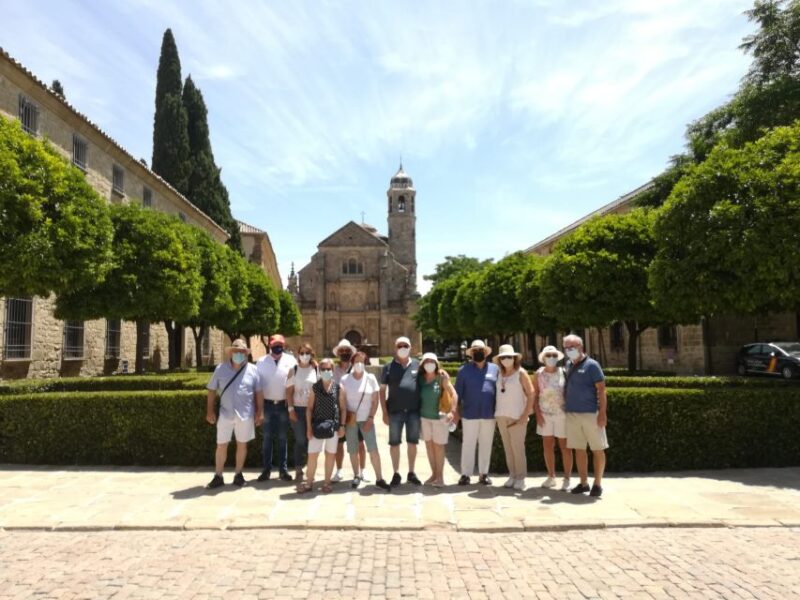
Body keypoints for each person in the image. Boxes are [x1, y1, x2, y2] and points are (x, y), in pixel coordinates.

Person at [204, 339, 259, 489]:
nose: (238, 354)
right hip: (225, 414)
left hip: (245, 415)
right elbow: (211, 390)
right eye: (236, 351)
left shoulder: (253, 370)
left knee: (242, 445)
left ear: (245, 353)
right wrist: (209, 411)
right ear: (231, 352)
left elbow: (258, 392)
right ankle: (218, 475)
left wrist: (260, 412)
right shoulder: (220, 369)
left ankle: (238, 474)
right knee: (221, 445)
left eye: (241, 352)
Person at [563, 334, 608, 497]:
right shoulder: (568, 365)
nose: (569, 350)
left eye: (571, 347)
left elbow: (602, 390)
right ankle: (583, 483)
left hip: (591, 414)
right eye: (566, 347)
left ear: (581, 347)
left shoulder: (592, 365)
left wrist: (602, 414)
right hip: (572, 414)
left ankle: (597, 483)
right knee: (579, 449)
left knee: (598, 449)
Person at [340, 352, 391, 491]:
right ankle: (357, 475)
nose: (359, 364)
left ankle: (379, 478)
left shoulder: (371, 378)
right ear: (352, 362)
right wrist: (343, 423)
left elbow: (375, 401)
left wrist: (371, 418)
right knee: (352, 449)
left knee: (373, 448)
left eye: (362, 361)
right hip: (351, 420)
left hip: (366, 419)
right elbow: (342, 402)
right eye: (356, 361)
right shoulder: (345, 379)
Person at [298, 358, 346, 493]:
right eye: (323, 369)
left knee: (330, 455)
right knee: (312, 455)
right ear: (320, 370)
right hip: (317, 426)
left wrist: (342, 426)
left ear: (333, 370)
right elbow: (309, 409)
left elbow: (343, 408)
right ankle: (308, 483)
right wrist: (308, 428)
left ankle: (326, 483)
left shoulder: (338, 387)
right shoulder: (315, 387)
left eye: (328, 369)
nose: (326, 371)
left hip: (333, 427)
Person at [380, 336, 422, 487]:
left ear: (411, 347)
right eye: (400, 346)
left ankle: (411, 472)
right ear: (395, 348)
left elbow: (429, 381)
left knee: (413, 442)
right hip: (395, 411)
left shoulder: (418, 365)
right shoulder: (388, 367)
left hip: (413, 411)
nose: (403, 348)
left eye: (405, 345)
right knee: (394, 443)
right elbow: (382, 391)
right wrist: (384, 412)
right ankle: (396, 473)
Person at [255, 334, 297, 482]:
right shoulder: (261, 361)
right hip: (266, 405)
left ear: (284, 345)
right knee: (266, 439)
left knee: (282, 438)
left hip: (283, 406)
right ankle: (266, 470)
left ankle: (282, 471)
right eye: (274, 344)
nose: (277, 347)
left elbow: (296, 381)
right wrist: (258, 410)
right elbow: (257, 387)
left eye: (279, 344)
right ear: (270, 345)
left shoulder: (291, 361)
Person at [455, 340, 498, 485]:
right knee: (468, 444)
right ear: (471, 354)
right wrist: (456, 413)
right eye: (475, 351)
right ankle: (465, 474)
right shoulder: (463, 370)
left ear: (485, 353)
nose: (478, 353)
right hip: (469, 413)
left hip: (489, 414)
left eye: (480, 350)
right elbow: (457, 395)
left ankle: (483, 474)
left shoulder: (495, 369)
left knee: (486, 444)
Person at [494, 344, 535, 491]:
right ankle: (512, 475)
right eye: (503, 357)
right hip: (501, 415)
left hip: (517, 416)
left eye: (509, 357)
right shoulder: (498, 373)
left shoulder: (521, 373)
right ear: (499, 360)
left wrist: (525, 415)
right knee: (508, 448)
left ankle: (521, 477)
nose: (506, 359)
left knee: (518, 448)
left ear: (514, 358)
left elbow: (531, 394)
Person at [533, 345, 573, 491]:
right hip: (545, 415)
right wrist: (537, 414)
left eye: (554, 355)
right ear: (543, 358)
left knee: (565, 447)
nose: (551, 358)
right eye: (548, 355)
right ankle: (551, 477)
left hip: (562, 415)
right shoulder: (538, 374)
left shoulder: (564, 372)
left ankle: (567, 478)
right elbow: (534, 395)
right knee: (548, 446)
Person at [418, 352, 457, 488]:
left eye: (432, 361)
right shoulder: (421, 378)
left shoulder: (442, 377)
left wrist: (452, 411)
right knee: (429, 446)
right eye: (426, 361)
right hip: (424, 417)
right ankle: (434, 474)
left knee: (438, 447)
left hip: (440, 418)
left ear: (436, 363)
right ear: (423, 364)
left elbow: (454, 394)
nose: (429, 363)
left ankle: (440, 477)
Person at [331, 338, 367, 482]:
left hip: (354, 411)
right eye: (342, 351)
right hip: (338, 411)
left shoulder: (358, 368)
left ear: (351, 353)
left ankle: (362, 471)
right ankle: (339, 471)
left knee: (359, 443)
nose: (344, 353)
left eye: (347, 351)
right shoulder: (332, 369)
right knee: (339, 443)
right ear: (338, 353)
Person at [285, 343, 318, 482]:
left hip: (313, 410)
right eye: (302, 352)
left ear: (311, 354)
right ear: (298, 354)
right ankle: (298, 469)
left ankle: (310, 469)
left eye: (307, 353)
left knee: (312, 440)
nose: (304, 355)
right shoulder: (294, 370)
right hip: (298, 410)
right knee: (300, 440)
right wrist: (291, 409)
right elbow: (288, 391)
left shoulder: (316, 369)